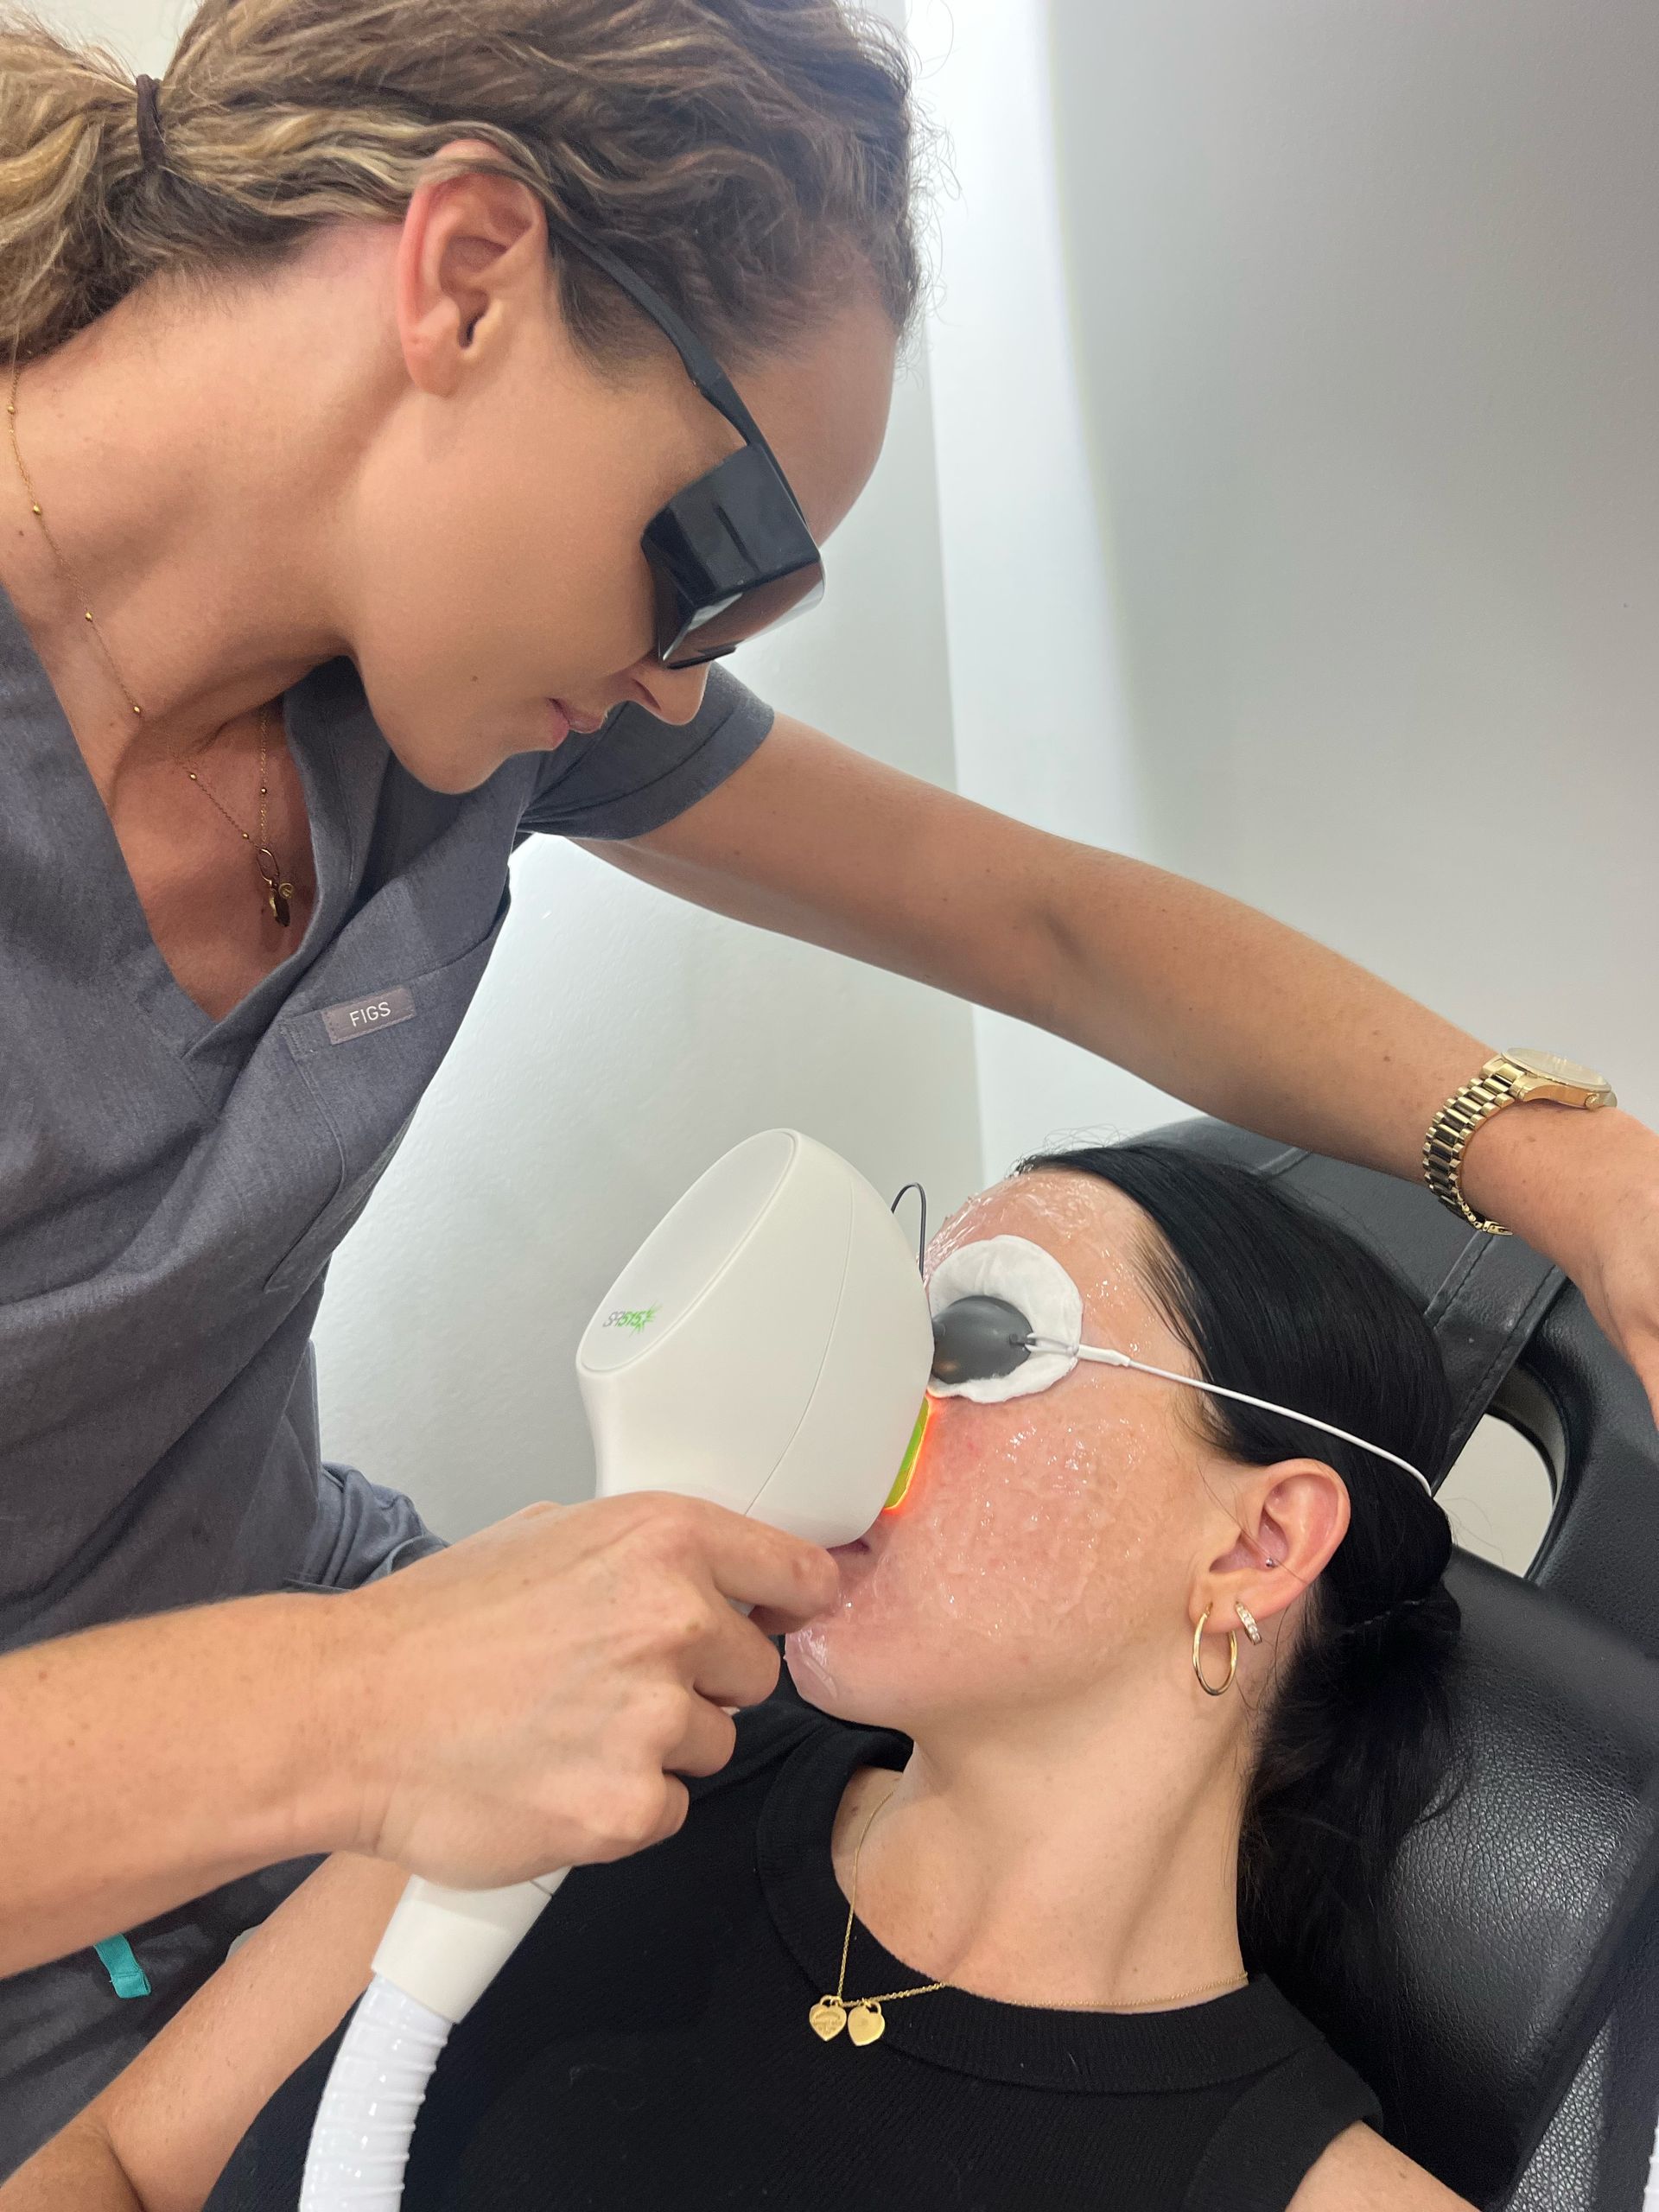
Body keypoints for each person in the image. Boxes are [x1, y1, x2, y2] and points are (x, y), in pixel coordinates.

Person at [3, 0, 1657, 2169]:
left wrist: (1571, 1161)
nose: (693, 672)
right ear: (469, 274)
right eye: (715, 554)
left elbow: (1037, 919)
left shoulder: (468, 703)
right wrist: (369, 1709)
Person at [5, 1142, 1482, 2210]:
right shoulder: (573, 1746)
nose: (864, 1386)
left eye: (974, 1337)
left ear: (1261, 1539)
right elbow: (124, 2165)